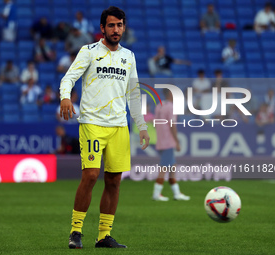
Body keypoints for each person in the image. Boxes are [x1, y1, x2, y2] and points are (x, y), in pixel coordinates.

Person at [59, 6, 149, 249]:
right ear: (102, 28)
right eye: (111, 25)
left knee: (114, 181)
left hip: (119, 126)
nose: (116, 29)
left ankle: (103, 235)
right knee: (90, 175)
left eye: (119, 25)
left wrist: (141, 125)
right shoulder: (88, 52)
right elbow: (68, 78)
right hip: (92, 123)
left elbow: (134, 93)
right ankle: (76, 231)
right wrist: (65, 97)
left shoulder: (129, 56)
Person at [152, 89, 190, 201]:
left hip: (160, 140)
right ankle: (156, 193)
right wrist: (177, 142)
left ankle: (176, 193)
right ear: (170, 94)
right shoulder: (171, 107)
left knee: (172, 167)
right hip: (168, 142)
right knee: (164, 168)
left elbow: (155, 124)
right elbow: (172, 125)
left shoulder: (159, 106)